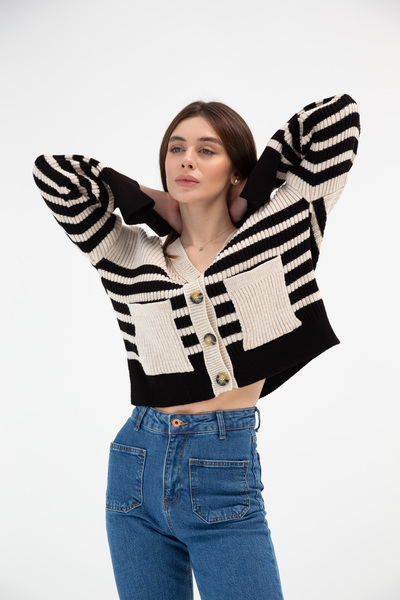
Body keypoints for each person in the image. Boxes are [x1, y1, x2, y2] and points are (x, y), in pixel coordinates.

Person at [33, 93, 360, 600]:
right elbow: (54, 175)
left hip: (223, 470)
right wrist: (153, 202)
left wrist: (254, 191)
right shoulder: (126, 253)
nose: (186, 160)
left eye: (207, 150)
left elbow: (336, 117)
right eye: (176, 148)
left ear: (236, 169)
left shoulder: (283, 228)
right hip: (136, 465)